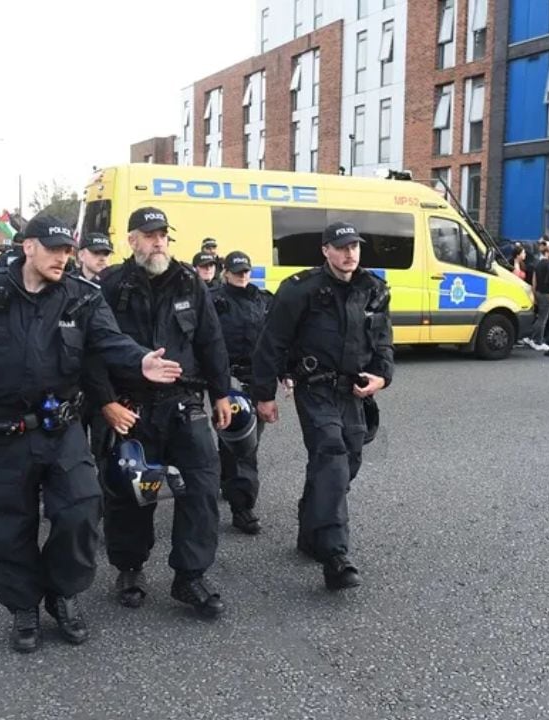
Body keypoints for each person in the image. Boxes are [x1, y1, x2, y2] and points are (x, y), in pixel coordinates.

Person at [0, 215, 182, 653]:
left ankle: (62, 594)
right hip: (6, 431)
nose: (63, 257)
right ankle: (23, 605)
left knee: (81, 511)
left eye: (67, 250)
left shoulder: (81, 298)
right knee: (9, 525)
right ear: (28, 247)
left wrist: (140, 361)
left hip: (62, 429)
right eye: (54, 248)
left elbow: (108, 341)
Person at [84, 206, 233, 618]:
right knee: (131, 494)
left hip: (184, 403)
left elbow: (211, 340)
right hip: (129, 407)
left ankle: (190, 576)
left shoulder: (189, 281)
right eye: (149, 235)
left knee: (202, 489)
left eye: (163, 234)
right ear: (131, 240)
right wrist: (106, 403)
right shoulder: (110, 285)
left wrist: (222, 393)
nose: (158, 241)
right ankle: (130, 569)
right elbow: (91, 350)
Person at [251, 220, 392, 591]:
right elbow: (272, 343)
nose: (350, 254)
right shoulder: (301, 290)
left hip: (354, 391)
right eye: (342, 247)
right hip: (314, 388)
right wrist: (263, 395)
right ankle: (335, 556)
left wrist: (383, 376)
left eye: (355, 247)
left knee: (350, 461)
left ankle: (311, 530)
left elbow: (383, 339)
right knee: (331, 456)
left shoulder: (372, 288)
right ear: (325, 250)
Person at [209, 250, 273, 535]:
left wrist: (284, 374)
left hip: (255, 380)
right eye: (236, 271)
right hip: (224, 378)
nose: (242, 275)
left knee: (244, 444)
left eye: (245, 270)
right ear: (226, 273)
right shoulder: (212, 300)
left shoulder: (263, 299)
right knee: (238, 444)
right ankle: (238, 499)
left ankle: (235, 494)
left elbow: (276, 341)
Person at [522, 239, 549, 352]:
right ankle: (537, 341)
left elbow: (534, 280)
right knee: (543, 319)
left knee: (539, 317)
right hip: (546, 293)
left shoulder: (538, 264)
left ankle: (530, 337)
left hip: (539, 292)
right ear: (547, 253)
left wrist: (534, 293)